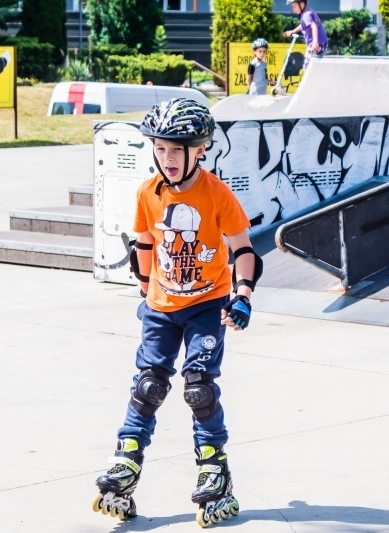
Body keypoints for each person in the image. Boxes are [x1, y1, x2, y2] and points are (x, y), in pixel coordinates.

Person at [91, 98, 263, 527]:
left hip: (208, 304)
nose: (167, 158)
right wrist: (147, 293)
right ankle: (126, 458)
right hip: (161, 308)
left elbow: (243, 249)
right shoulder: (147, 193)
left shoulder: (216, 194)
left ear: (200, 149)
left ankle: (213, 467)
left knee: (198, 387)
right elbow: (145, 246)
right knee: (148, 384)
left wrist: (242, 296)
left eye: (177, 150)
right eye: (161, 149)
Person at [283, 0, 328, 70]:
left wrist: (315, 42)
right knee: (312, 67)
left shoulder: (306, 15)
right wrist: (293, 31)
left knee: (307, 68)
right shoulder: (308, 12)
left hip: (316, 44)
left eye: (294, 6)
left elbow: (314, 26)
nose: (293, 9)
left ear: (302, 4)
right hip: (322, 42)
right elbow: (304, 25)